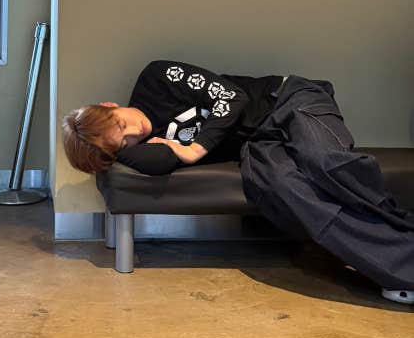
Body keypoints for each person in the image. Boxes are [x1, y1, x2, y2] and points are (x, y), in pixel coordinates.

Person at [62, 60, 414, 304]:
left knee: (322, 160)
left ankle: (401, 238)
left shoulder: (156, 78)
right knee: (286, 189)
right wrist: (116, 153)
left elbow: (231, 97)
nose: (134, 131)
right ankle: (402, 269)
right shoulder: (143, 147)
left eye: (120, 123)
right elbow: (157, 163)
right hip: (260, 144)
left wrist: (194, 149)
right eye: (124, 142)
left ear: (110, 104)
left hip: (289, 101)